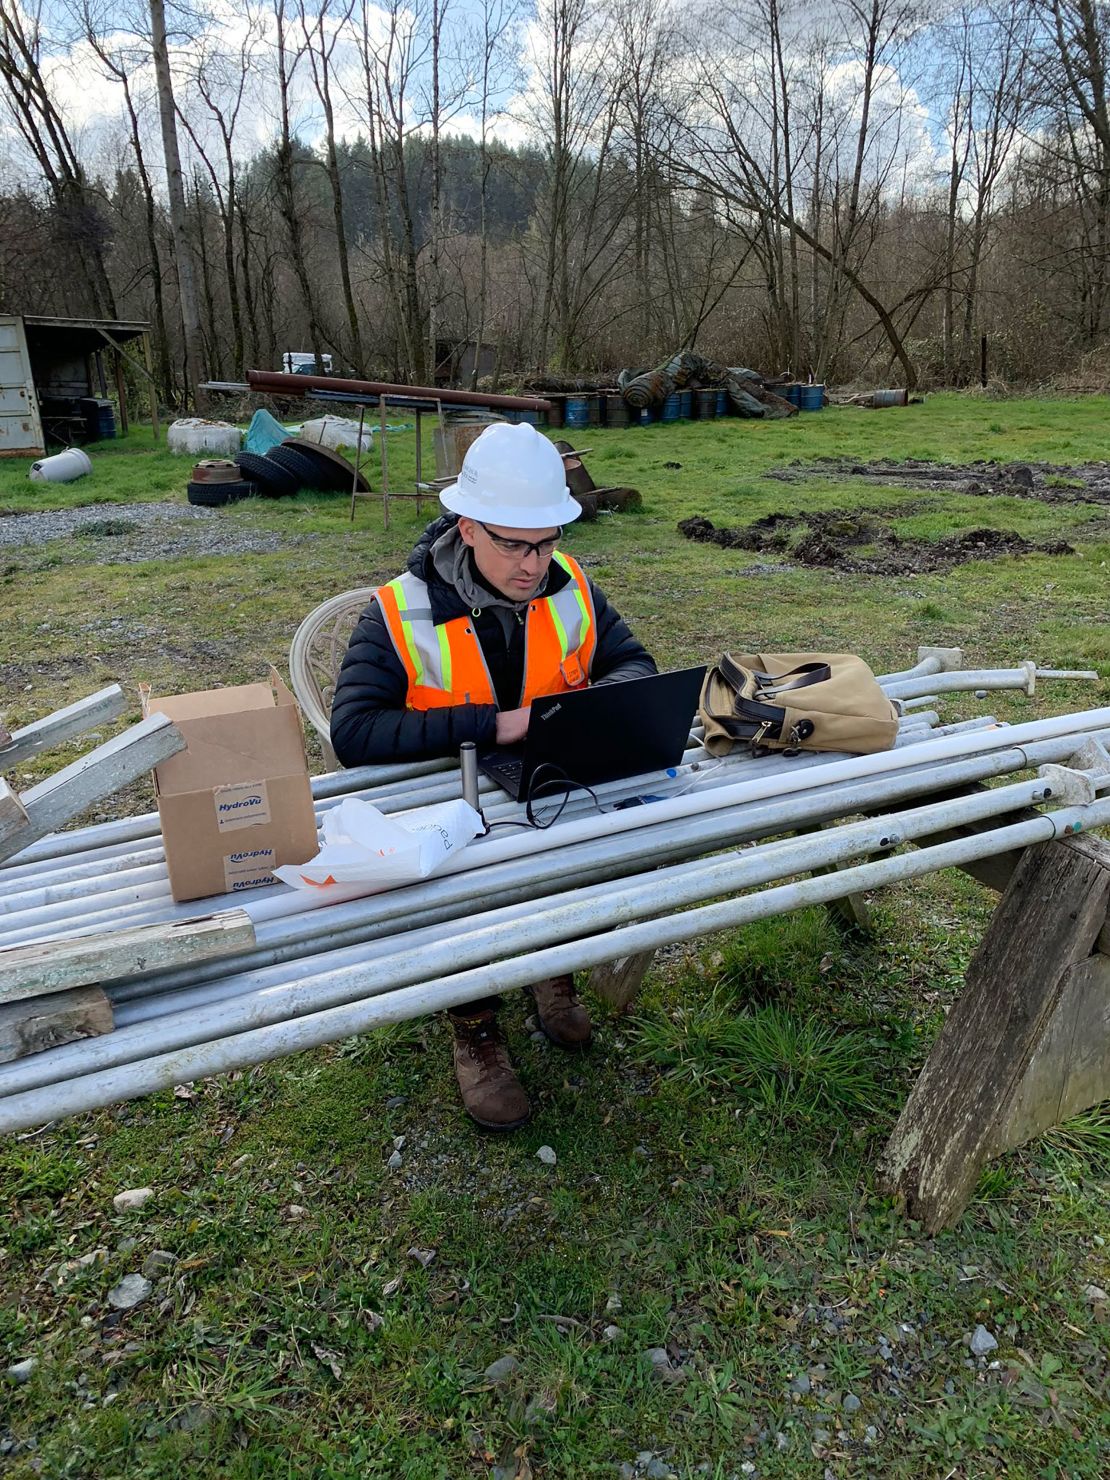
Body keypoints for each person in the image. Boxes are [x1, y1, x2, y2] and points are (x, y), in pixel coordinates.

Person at [331, 421, 657, 1130]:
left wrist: (578, 708)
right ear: (467, 526)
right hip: (441, 802)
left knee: (579, 851)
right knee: (467, 892)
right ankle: (475, 1021)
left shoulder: (571, 586)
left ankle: (550, 965)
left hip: (542, 785)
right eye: (514, 543)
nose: (533, 564)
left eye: (546, 542)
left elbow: (635, 666)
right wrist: (493, 722)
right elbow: (353, 733)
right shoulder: (399, 610)